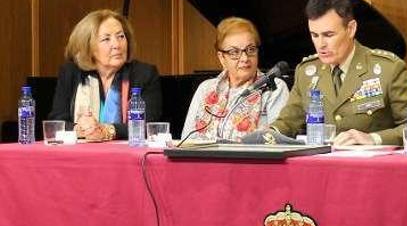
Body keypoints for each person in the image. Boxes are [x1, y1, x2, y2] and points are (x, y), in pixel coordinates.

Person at [271, 0, 407, 146]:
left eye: (329, 35)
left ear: (351, 29)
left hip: (372, 167)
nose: (321, 44)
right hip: (321, 166)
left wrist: (374, 139)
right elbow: (287, 123)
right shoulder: (306, 72)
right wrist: (266, 135)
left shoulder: (388, 69)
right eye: (314, 35)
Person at [48, 9, 161, 141]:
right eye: (106, 39)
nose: (117, 45)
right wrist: (79, 129)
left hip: (125, 156)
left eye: (121, 36)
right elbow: (57, 122)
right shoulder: (71, 73)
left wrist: (108, 130)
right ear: (88, 46)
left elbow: (148, 124)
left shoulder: (144, 74)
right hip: (79, 156)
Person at [182, 17, 289, 141]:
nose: (244, 58)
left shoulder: (274, 88)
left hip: (251, 160)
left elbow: (278, 141)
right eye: (234, 52)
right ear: (222, 57)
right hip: (203, 159)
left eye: (250, 50)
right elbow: (186, 139)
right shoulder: (205, 88)